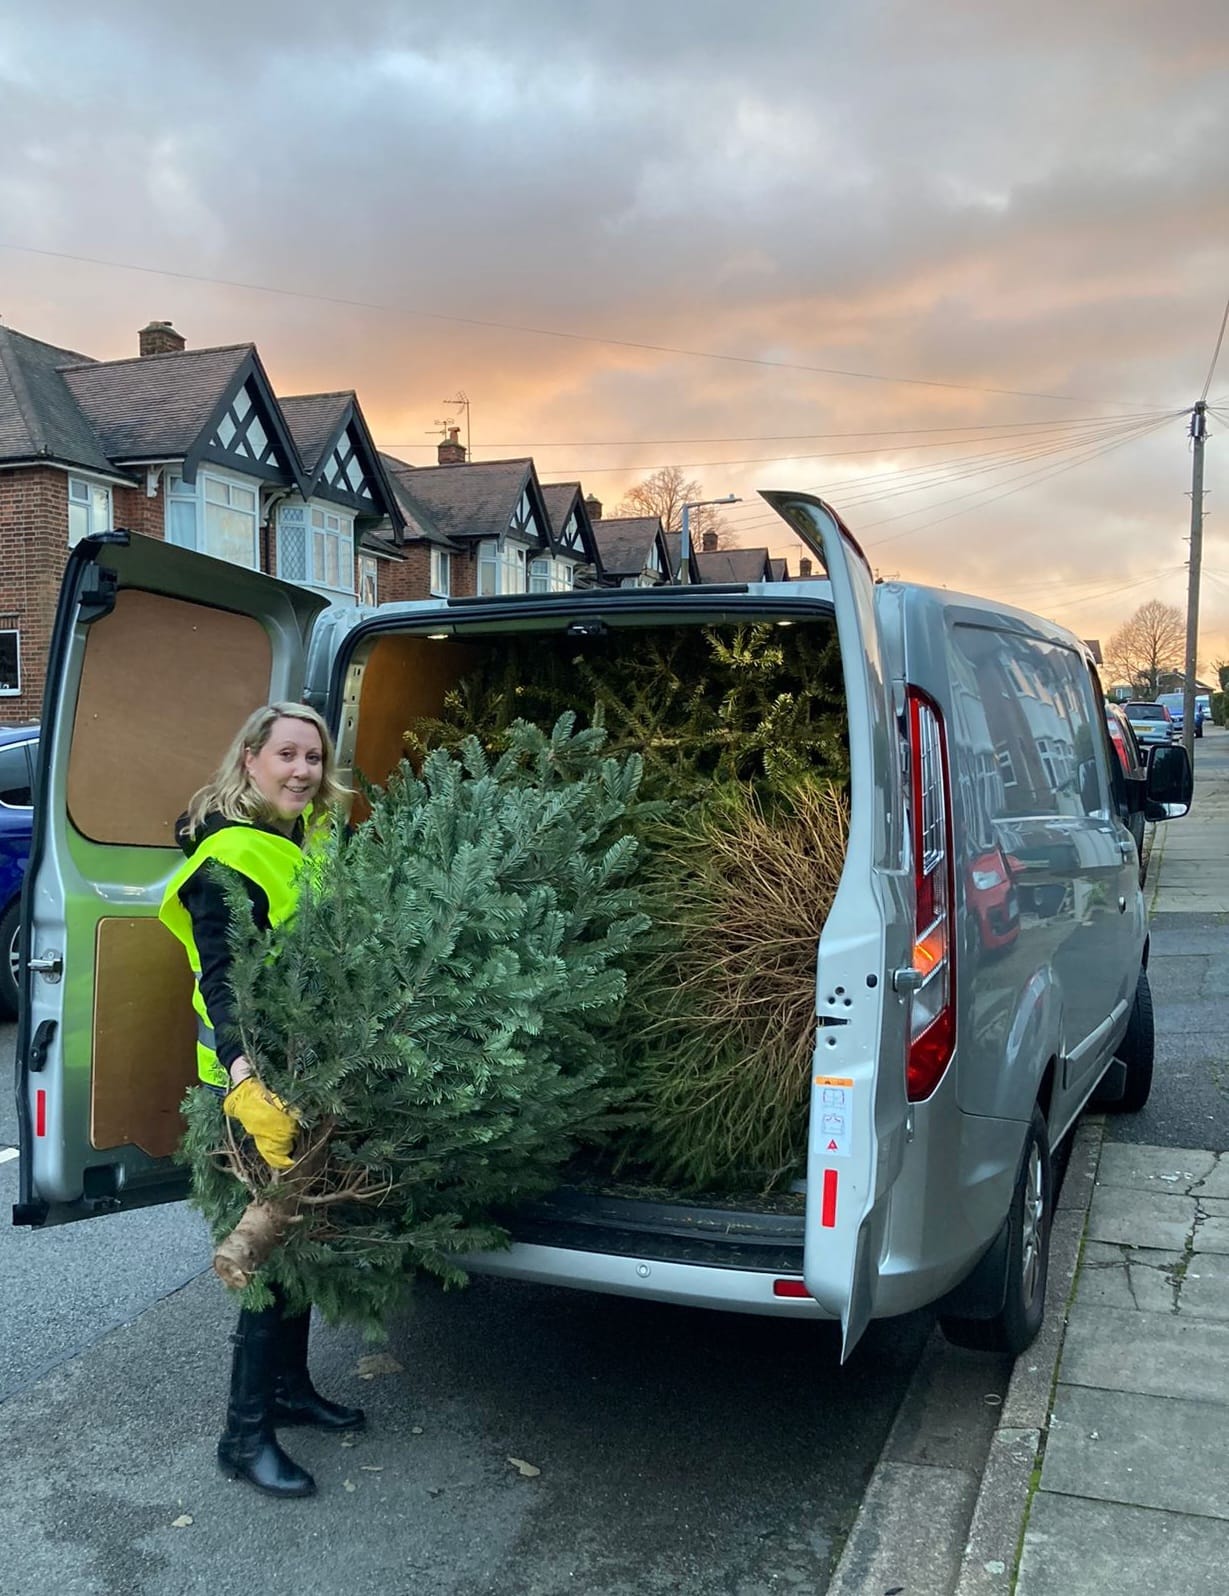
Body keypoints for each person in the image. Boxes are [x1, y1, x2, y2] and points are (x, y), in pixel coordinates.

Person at [158, 702, 364, 1500]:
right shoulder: (229, 857)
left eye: (313, 757)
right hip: (252, 1092)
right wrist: (245, 1076)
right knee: (268, 1249)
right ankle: (243, 1435)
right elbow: (224, 976)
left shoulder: (306, 842)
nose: (303, 772)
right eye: (286, 755)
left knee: (302, 1239)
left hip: (307, 1074)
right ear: (249, 759)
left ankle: (288, 1388)